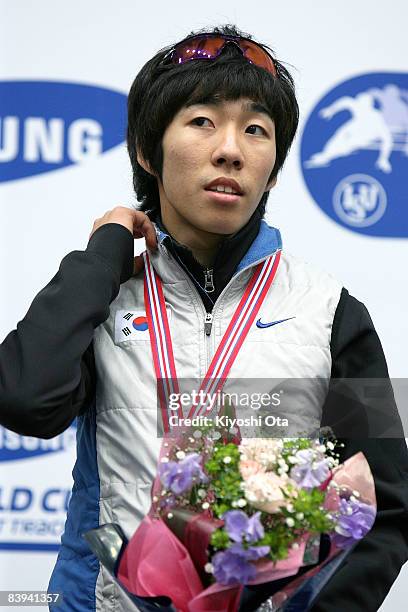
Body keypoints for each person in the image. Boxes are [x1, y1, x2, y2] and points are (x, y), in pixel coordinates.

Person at [0, 23, 407, 612]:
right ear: (147, 149)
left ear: (273, 165)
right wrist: (105, 252)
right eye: (202, 121)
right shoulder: (101, 298)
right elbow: (23, 398)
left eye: (256, 130)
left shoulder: (333, 311)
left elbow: (385, 505)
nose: (230, 149)